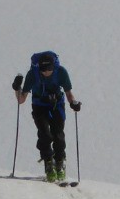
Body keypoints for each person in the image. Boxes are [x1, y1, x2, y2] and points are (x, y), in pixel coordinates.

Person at [17, 51, 80, 181]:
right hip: (39, 106)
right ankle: (49, 163)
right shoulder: (32, 75)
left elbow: (68, 93)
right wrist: (16, 88)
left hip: (57, 105)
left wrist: (73, 103)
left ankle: (59, 162)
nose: (46, 72)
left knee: (58, 134)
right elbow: (21, 99)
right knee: (45, 134)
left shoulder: (61, 72)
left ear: (53, 66)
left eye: (49, 69)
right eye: (43, 70)